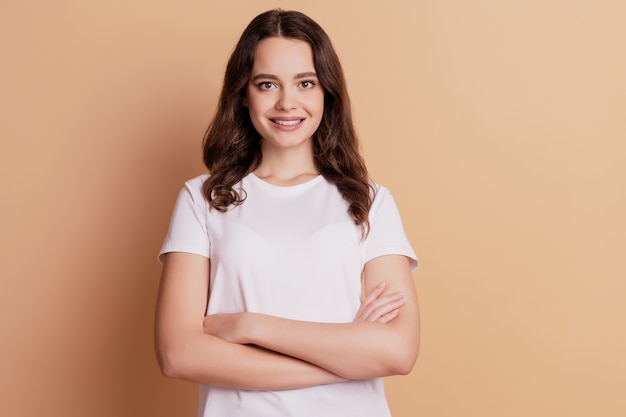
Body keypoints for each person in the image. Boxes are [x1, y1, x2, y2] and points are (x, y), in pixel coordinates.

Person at [155, 9, 419, 417]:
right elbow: (179, 354)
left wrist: (252, 327)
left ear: (325, 92)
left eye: (305, 83)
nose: (286, 102)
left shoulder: (370, 202)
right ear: (243, 93)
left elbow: (399, 352)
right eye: (267, 84)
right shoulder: (202, 198)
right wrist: (348, 354)